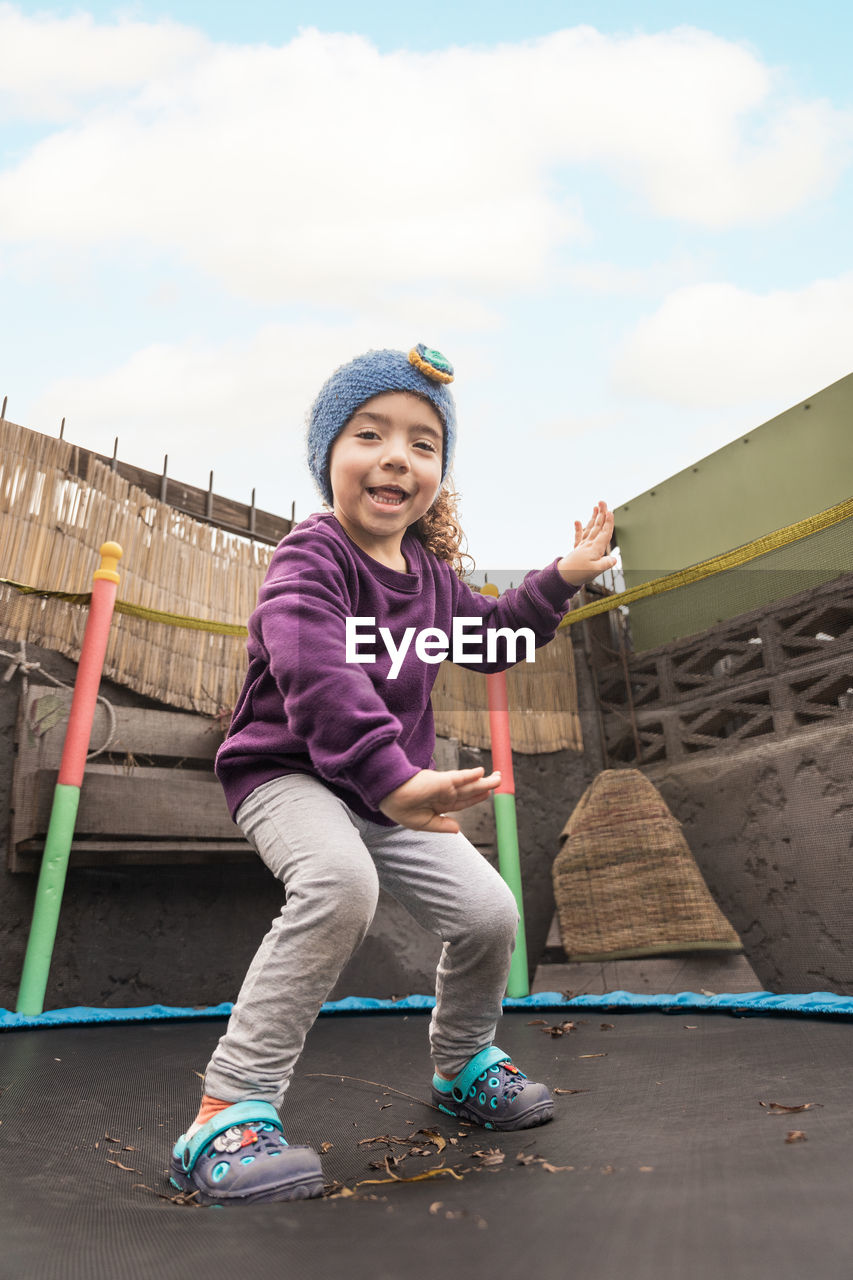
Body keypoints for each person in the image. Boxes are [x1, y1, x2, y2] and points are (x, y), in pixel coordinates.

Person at [169, 344, 616, 1205]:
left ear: (438, 475)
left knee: (488, 913)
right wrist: (393, 778)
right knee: (338, 885)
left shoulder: (434, 582)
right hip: (287, 774)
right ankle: (223, 1113)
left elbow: (491, 639)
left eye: (422, 443)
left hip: (386, 790)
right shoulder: (312, 558)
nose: (395, 457)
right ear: (328, 457)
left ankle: (462, 1067)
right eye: (369, 433)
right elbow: (314, 669)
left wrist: (558, 580)